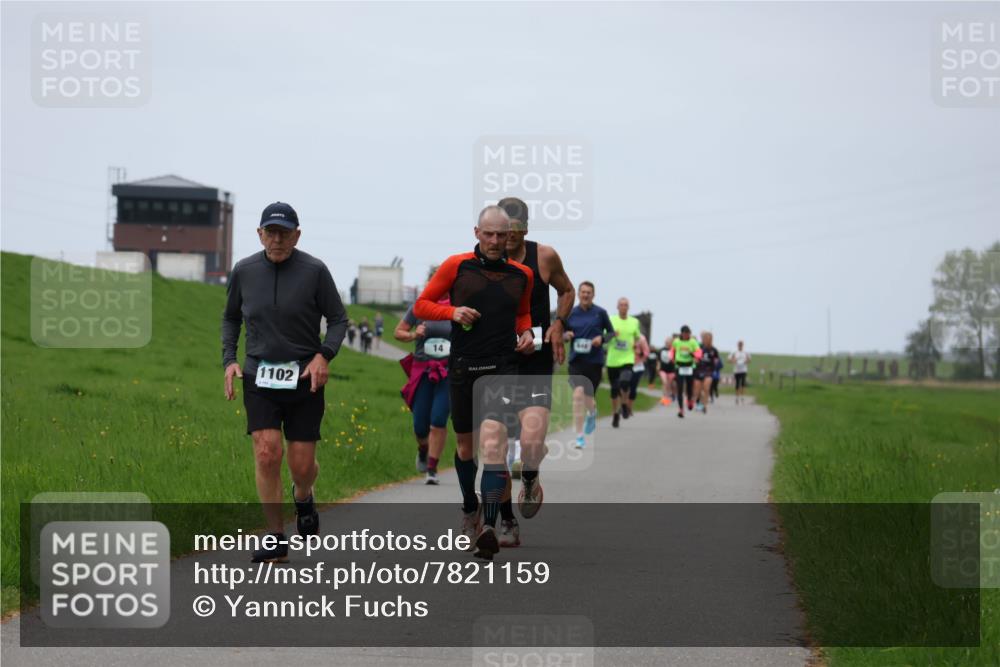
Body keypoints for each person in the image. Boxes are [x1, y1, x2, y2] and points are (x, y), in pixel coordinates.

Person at [222, 201, 349, 563]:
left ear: (297, 235)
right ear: (260, 234)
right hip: (259, 374)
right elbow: (230, 319)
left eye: (284, 232)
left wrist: (324, 355)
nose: (276, 239)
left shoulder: (314, 271)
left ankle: (304, 495)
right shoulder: (244, 270)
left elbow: (338, 319)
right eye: (270, 232)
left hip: (305, 377)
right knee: (266, 452)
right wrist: (230, 361)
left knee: (301, 464)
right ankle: (276, 537)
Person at [413, 205, 535, 560]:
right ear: (477, 233)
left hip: (502, 366)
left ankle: (490, 528)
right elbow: (422, 305)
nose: (496, 241)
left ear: (510, 235)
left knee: (494, 443)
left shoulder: (522, 274)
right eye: (489, 234)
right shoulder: (457, 265)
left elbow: (522, 312)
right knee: (466, 449)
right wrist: (451, 312)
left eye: (502, 235)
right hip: (465, 366)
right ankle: (470, 509)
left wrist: (526, 332)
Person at [498, 196, 574, 547]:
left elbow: (567, 290)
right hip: (498, 363)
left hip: (536, 362)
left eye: (513, 231)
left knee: (530, 443)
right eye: (501, 229)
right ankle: (506, 522)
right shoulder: (481, 259)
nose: (506, 237)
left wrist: (558, 324)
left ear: (525, 229)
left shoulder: (543, 256)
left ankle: (530, 478)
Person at [395, 299, 452, 484]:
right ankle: (423, 450)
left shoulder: (457, 308)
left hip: (447, 373)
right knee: (420, 426)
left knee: (438, 420)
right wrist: (413, 334)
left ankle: (432, 468)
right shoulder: (419, 306)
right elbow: (398, 332)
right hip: (423, 372)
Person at [564, 281, 615, 448]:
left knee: (589, 399)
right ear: (578, 294)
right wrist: (567, 335)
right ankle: (579, 436)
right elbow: (562, 332)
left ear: (593, 295)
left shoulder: (600, 313)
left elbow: (612, 333)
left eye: (589, 292)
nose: (585, 295)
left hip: (594, 362)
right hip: (576, 361)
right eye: (583, 292)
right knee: (578, 394)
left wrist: (602, 338)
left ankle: (592, 413)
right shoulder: (571, 313)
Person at [606, 298, 642, 428]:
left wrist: (636, 346)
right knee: (614, 390)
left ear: (628, 307)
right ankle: (615, 414)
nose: (623, 307)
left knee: (625, 382)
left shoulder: (634, 322)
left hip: (627, 358)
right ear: (617, 307)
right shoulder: (611, 320)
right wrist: (612, 334)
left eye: (626, 305)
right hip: (612, 360)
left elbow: (637, 337)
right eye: (621, 305)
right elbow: (605, 337)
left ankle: (625, 403)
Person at [670, 325, 701, 418]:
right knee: (679, 388)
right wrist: (672, 358)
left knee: (689, 386)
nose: (686, 335)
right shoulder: (676, 341)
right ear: (681, 333)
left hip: (690, 366)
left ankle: (690, 400)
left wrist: (695, 355)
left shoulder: (693, 342)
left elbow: (699, 352)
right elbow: (672, 351)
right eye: (684, 333)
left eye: (688, 333)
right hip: (679, 366)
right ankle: (681, 410)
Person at [626, 333, 651, 417]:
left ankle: (629, 407)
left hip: (637, 366)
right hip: (625, 364)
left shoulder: (641, 338)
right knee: (624, 386)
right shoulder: (625, 335)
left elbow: (646, 352)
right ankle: (624, 406)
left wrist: (638, 352)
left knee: (633, 387)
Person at [695, 331, 720, 413]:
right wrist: (696, 361)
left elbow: (716, 361)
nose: (707, 340)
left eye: (709, 339)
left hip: (709, 371)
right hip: (699, 370)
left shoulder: (714, 350)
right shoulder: (699, 348)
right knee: (698, 390)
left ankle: (704, 406)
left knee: (706, 387)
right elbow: (696, 359)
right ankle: (699, 403)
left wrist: (716, 365)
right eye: (706, 339)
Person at [658, 334, 678, 406]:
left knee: (669, 385)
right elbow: (659, 360)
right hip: (663, 369)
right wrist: (658, 367)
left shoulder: (674, 351)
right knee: (664, 382)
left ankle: (667, 398)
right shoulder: (661, 350)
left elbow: (676, 360)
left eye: (669, 342)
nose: (667, 343)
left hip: (671, 370)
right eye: (667, 342)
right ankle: (664, 397)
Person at [730, 340, 751, 404]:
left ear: (743, 345)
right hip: (736, 370)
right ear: (737, 345)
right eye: (739, 345)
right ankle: (737, 397)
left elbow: (749, 360)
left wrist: (746, 361)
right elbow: (729, 359)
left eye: (741, 345)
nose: (740, 346)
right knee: (737, 384)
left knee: (743, 384)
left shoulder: (746, 352)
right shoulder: (734, 352)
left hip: (743, 370)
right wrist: (734, 361)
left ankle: (742, 396)